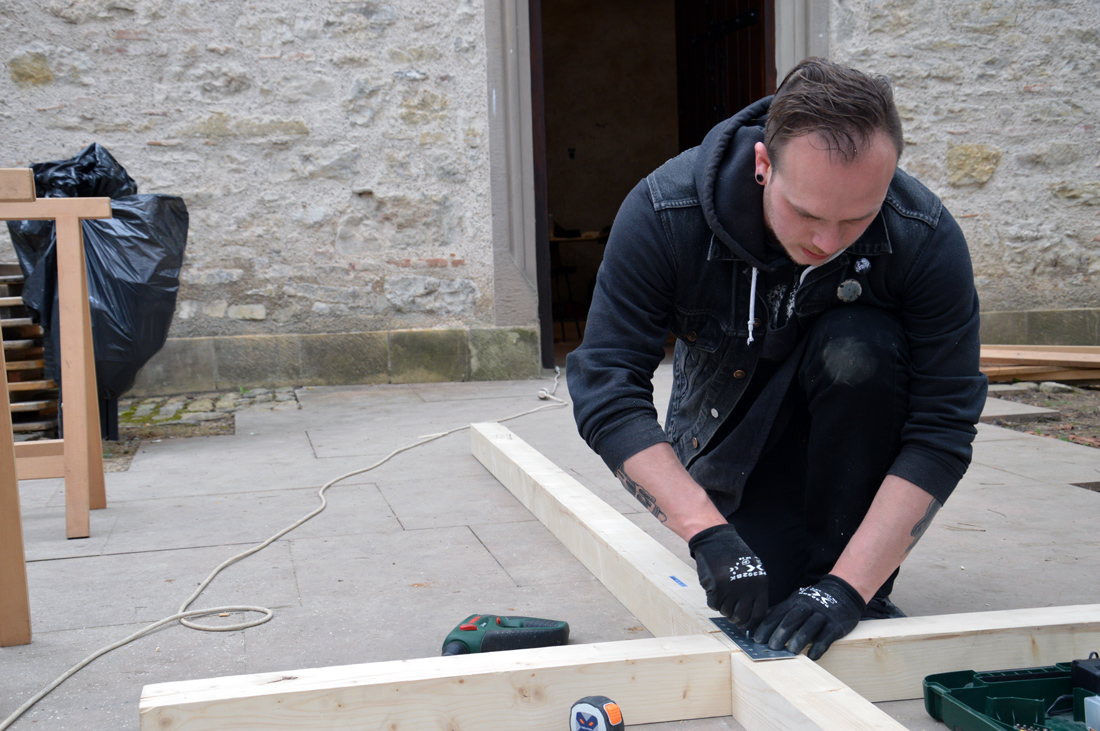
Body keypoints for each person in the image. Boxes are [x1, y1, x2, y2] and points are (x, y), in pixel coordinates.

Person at [566, 57, 988, 660]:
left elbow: (944, 426)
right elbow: (605, 387)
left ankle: (848, 573)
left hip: (853, 447)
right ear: (764, 164)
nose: (827, 242)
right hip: (730, 444)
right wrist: (707, 533)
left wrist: (848, 588)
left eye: (857, 218)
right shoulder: (666, 212)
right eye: (809, 214)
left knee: (859, 345)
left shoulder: (921, 234)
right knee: (769, 594)